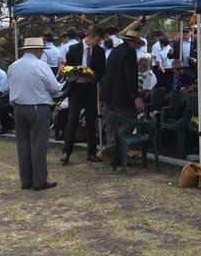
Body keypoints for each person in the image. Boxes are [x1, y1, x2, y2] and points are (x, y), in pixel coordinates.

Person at [8, 36, 63, 191]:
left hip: (19, 108)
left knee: (23, 145)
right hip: (37, 108)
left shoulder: (13, 66)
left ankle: (26, 181)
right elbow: (55, 88)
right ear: (38, 50)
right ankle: (39, 181)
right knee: (38, 145)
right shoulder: (41, 65)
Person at [100, 21, 146, 168]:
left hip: (108, 93)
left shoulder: (116, 50)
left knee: (111, 124)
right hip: (119, 95)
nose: (138, 45)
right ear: (133, 41)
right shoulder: (129, 52)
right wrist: (136, 95)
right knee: (131, 119)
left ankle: (116, 153)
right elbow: (130, 76)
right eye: (137, 42)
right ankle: (111, 146)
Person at [59, 24, 107, 164]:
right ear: (90, 36)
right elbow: (67, 68)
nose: (98, 42)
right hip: (76, 88)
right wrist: (70, 76)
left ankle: (91, 152)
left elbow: (102, 72)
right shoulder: (74, 49)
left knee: (91, 121)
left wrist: (93, 77)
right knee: (72, 120)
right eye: (97, 39)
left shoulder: (99, 52)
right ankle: (66, 152)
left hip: (90, 89)